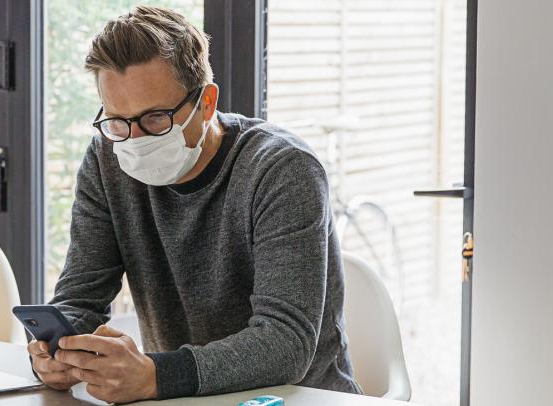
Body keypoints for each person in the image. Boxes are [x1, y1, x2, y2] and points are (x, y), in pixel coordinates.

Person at [25, 5, 361, 404]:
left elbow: (285, 343)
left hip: (298, 397)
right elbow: (81, 296)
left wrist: (156, 375)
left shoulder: (282, 169)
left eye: (155, 119)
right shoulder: (106, 159)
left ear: (205, 103)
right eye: (117, 120)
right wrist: (56, 351)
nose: (135, 139)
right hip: (182, 398)